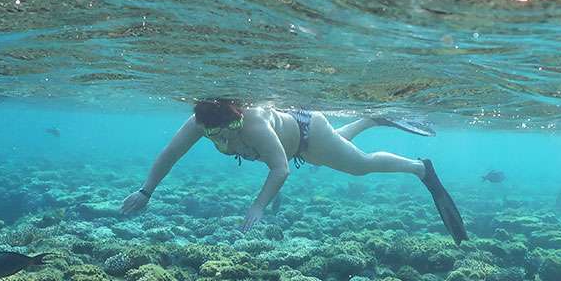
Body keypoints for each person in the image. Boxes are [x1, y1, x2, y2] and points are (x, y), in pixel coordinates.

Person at [120, 100, 467, 243]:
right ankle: (372, 118)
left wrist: (257, 206)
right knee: (331, 153)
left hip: (305, 133)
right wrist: (147, 190)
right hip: (306, 143)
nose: (226, 138)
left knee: (358, 166)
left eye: (232, 128)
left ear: (238, 116)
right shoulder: (200, 124)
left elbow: (280, 168)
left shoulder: (253, 125)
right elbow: (171, 154)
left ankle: (421, 168)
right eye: (216, 135)